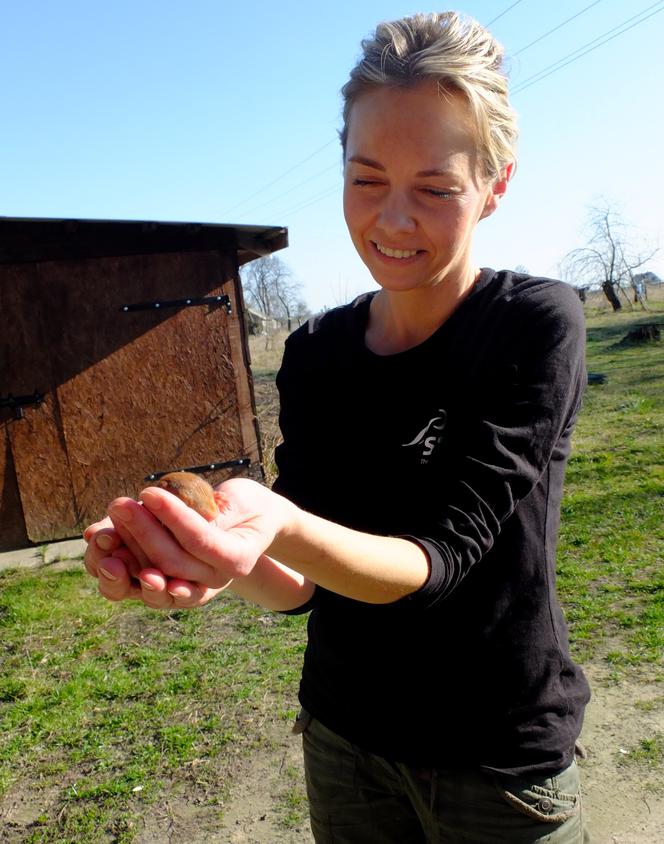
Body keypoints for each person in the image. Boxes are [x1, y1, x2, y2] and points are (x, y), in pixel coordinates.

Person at [84, 11, 591, 842]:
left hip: (497, 761)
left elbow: (438, 561)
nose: (392, 221)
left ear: (495, 187)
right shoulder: (318, 349)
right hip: (345, 741)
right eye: (365, 180)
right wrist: (215, 558)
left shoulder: (534, 325)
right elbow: (303, 583)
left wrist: (276, 521)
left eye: (434, 189)